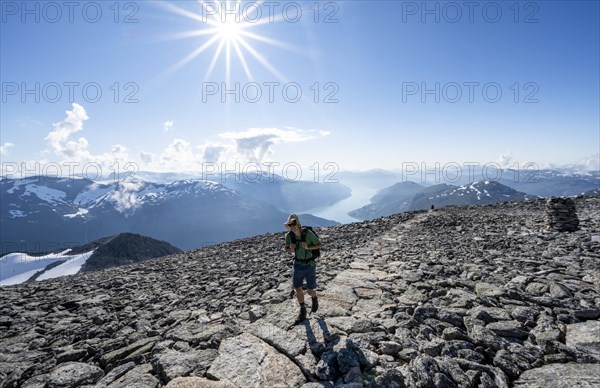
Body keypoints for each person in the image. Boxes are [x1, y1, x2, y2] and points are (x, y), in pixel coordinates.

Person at [284, 214, 321, 323]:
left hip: (310, 265)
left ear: (298, 224)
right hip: (298, 265)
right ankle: (302, 309)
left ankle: (314, 298)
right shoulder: (289, 236)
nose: (293, 226)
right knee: (297, 288)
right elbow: (286, 249)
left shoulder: (307, 234)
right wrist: (290, 249)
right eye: (290, 225)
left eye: (294, 224)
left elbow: (319, 244)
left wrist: (308, 247)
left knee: (310, 291)